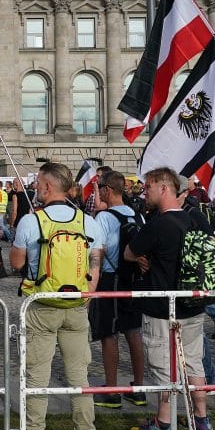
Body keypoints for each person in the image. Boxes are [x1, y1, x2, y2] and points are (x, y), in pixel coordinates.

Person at [9, 162, 104, 430]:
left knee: (37, 375)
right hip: (76, 305)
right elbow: (96, 263)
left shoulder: (30, 221)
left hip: (41, 304)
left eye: (38, 183)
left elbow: (16, 263)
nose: (35, 187)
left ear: (49, 187)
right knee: (79, 376)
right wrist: (86, 296)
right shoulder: (88, 221)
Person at [123, 168, 214, 430]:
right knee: (194, 363)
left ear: (164, 188)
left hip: (162, 306)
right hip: (193, 304)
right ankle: (201, 419)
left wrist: (143, 257)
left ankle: (163, 423)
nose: (144, 193)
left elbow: (130, 252)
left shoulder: (158, 224)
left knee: (164, 365)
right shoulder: (195, 220)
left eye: (148, 187)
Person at [88, 171, 147, 409]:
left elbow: (97, 252)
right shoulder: (137, 215)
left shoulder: (103, 217)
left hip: (110, 279)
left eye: (100, 188)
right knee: (133, 332)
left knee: (108, 334)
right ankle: (139, 388)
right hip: (131, 278)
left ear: (107, 190)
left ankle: (111, 389)